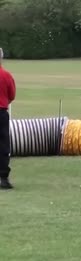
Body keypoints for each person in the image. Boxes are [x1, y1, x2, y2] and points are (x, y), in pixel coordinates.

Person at [0, 48, 16, 189]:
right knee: (3, 145)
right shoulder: (6, 76)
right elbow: (11, 95)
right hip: (1, 113)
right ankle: (3, 178)